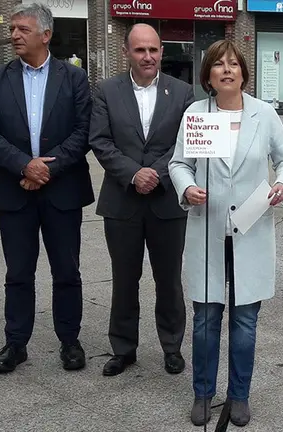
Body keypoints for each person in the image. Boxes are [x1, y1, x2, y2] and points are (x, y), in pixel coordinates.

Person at [169, 40, 283, 427]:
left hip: (251, 227)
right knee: (206, 318)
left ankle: (239, 394)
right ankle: (203, 393)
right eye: (218, 65)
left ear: (243, 71)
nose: (227, 70)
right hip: (207, 226)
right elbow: (179, 164)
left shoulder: (265, 114)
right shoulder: (197, 112)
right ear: (208, 75)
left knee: (245, 320)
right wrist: (186, 187)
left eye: (233, 64)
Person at [0, 2, 94, 373]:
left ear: (46, 34)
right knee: (18, 272)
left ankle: (70, 341)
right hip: (15, 189)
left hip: (62, 190)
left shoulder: (74, 77)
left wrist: (46, 169)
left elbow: (83, 131)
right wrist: (24, 165)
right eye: (13, 29)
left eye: (23, 29)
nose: (14, 35)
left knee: (67, 270)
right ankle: (15, 343)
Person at [89, 23, 195, 377]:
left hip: (167, 202)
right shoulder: (106, 90)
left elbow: (186, 143)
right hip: (122, 201)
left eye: (153, 49)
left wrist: (158, 174)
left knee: (169, 279)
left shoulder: (182, 93)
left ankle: (172, 347)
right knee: (124, 278)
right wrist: (134, 173)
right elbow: (100, 141)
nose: (147, 56)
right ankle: (123, 348)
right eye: (139, 50)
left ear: (162, 51)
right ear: (127, 52)